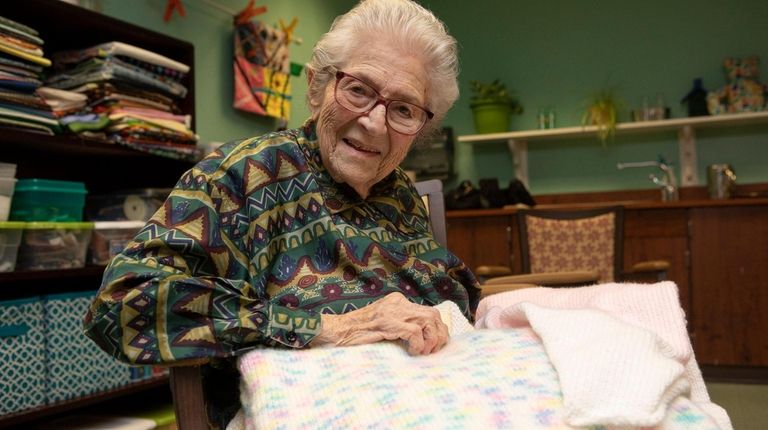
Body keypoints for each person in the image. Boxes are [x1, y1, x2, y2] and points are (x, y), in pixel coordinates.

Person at [85, 0, 477, 371]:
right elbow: (122, 305)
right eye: (358, 90)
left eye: (404, 110)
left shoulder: (399, 193)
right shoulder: (241, 175)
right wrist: (330, 328)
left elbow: (449, 298)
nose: (375, 123)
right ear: (315, 88)